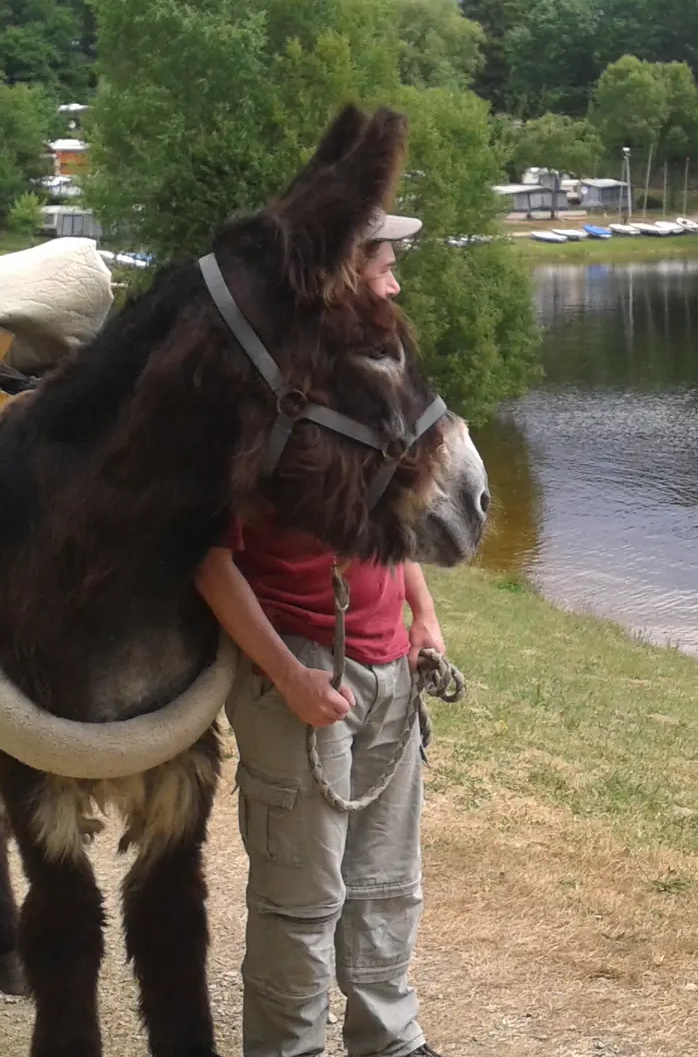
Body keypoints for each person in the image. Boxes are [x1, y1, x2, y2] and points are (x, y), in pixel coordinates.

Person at [196, 211, 447, 1057]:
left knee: (385, 889)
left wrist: (426, 619)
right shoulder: (254, 396)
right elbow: (208, 564)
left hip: (387, 674)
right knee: (301, 900)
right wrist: (290, 679)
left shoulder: (367, 385)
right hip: (297, 668)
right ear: (342, 273)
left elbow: (397, 517)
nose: (396, 281)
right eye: (383, 263)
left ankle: (389, 1041)